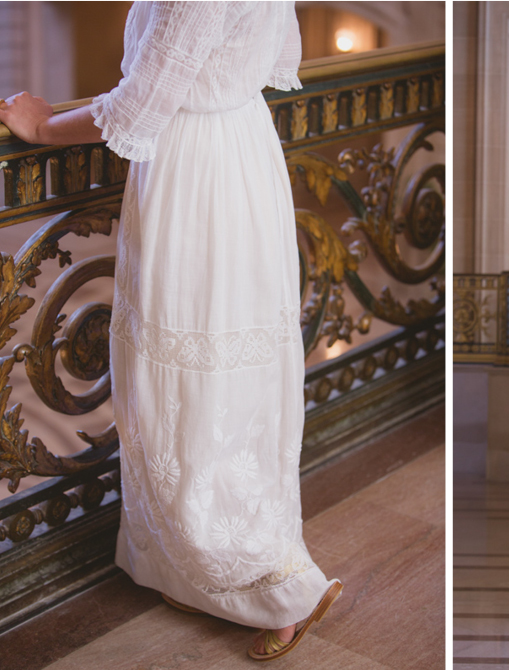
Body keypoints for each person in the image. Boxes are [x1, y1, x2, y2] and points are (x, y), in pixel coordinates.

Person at [0, 2, 341, 661]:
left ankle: (273, 585)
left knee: (193, 376)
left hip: (196, 174)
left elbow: (136, 107)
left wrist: (40, 126)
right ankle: (192, 566)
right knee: (220, 376)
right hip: (238, 152)